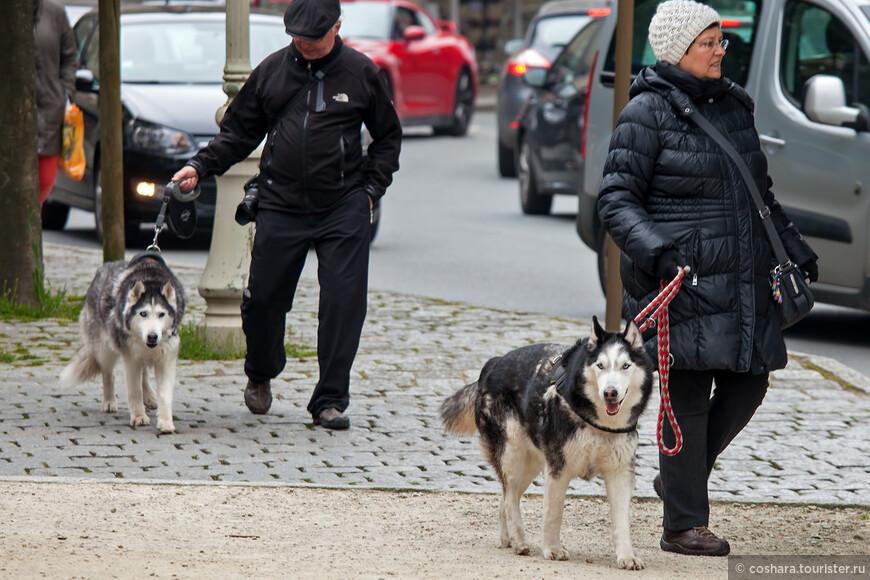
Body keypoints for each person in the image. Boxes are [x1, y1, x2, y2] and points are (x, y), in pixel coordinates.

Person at [597, 0, 818, 557]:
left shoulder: (734, 107)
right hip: (682, 279)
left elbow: (758, 196)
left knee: (751, 379)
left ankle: (680, 479)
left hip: (741, 279)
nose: (721, 50)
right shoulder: (646, 113)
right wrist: (659, 251)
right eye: (709, 43)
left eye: (720, 41)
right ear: (678, 50)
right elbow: (616, 200)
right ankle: (683, 525)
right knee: (687, 397)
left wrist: (794, 248)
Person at [172, 0, 402, 430]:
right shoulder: (273, 71)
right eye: (298, 37)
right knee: (262, 301)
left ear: (338, 26)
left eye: (315, 37)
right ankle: (261, 370)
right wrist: (199, 166)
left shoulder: (361, 73)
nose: (306, 45)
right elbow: (237, 132)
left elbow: (388, 139)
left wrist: (370, 191)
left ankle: (330, 400)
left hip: (343, 204)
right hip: (280, 201)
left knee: (343, 303)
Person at [34, 0, 77, 205]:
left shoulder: (55, 12)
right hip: (12, 116)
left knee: (46, 178)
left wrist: (65, 93)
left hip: (50, 111)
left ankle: (29, 229)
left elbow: (69, 57)